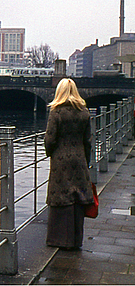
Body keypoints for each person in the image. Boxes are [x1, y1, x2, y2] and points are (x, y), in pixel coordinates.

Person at [44, 78, 95, 250]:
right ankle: (75, 239)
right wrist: (85, 160)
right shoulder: (84, 112)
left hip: (61, 160)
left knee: (61, 196)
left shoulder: (56, 112)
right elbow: (88, 141)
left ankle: (59, 239)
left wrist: (50, 152)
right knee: (77, 196)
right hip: (79, 158)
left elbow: (49, 139)